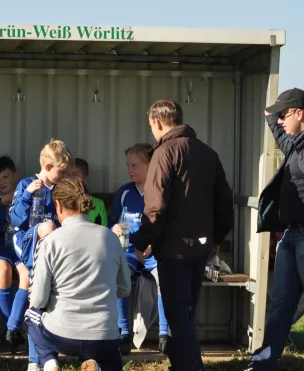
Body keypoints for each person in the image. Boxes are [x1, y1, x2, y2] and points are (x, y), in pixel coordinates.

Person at [133, 99, 234, 371]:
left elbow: (155, 206)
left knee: (178, 315)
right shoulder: (208, 153)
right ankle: (181, 364)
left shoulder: (164, 153)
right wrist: (215, 238)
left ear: (157, 122)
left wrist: (142, 242)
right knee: (186, 312)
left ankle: (191, 367)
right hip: (201, 248)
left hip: (174, 250)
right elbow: (224, 201)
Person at [25, 178, 131, 371]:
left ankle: (49, 363)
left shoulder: (50, 241)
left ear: (58, 205)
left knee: (31, 314)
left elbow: (38, 300)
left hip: (62, 335)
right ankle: (96, 366)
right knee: (111, 359)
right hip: (104, 335)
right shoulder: (110, 238)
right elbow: (124, 288)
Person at [246, 88, 304, 371]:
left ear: (299, 113)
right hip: (291, 236)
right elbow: (282, 135)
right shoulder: (295, 143)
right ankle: (263, 362)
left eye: (284, 114)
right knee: (281, 303)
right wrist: (272, 115)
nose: (280, 121)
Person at [10, 138, 73, 371]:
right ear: (47, 167)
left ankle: (42, 358)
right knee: (38, 296)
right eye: (62, 172)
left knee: (46, 302)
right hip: (27, 243)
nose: (65, 177)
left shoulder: (61, 189)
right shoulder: (27, 184)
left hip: (53, 250)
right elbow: (16, 220)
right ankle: (35, 360)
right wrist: (26, 195)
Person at [109, 143, 170, 355]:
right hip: (130, 250)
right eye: (128, 165)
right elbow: (112, 221)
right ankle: (123, 332)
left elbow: (169, 223)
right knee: (120, 274)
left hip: (155, 251)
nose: (129, 170)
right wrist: (114, 228)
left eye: (134, 165)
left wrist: (153, 244)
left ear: (150, 166)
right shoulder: (125, 192)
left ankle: (165, 334)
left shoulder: (161, 190)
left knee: (166, 276)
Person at [0, 155, 28, 351]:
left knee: (27, 274)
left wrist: (14, 209)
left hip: (20, 249)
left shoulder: (25, 197)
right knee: (1, 272)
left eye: (6, 177)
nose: (2, 183)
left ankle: (12, 329)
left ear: (15, 175)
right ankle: (12, 329)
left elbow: (29, 223)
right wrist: (3, 210)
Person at [68, 158, 108, 226]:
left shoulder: (98, 204)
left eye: (75, 174)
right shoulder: (59, 203)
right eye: (67, 174)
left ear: (85, 179)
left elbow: (104, 232)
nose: (70, 178)